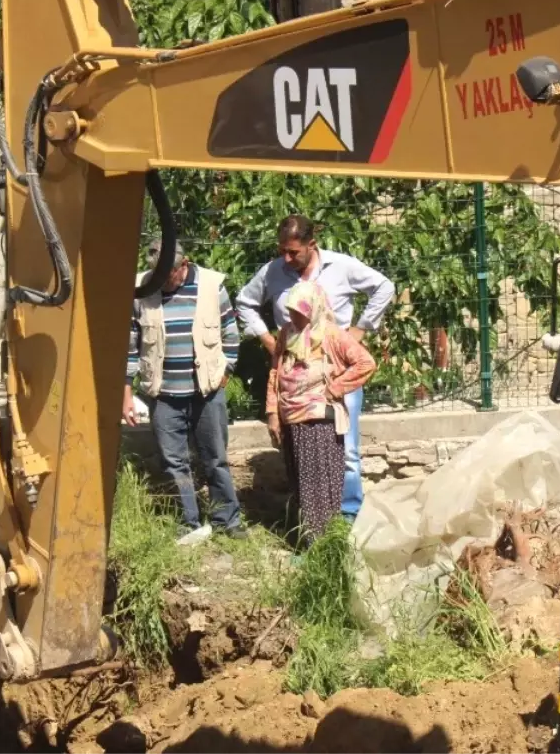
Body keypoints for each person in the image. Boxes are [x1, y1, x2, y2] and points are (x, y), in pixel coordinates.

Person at [237, 215, 394, 522]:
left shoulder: (341, 267)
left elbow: (384, 287)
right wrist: (269, 341)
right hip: (295, 381)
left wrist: (360, 332)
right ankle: (312, 518)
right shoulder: (273, 271)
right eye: (282, 250)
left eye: (293, 251)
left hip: (336, 372)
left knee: (346, 449)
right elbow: (245, 301)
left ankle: (346, 518)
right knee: (300, 453)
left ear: (312, 245)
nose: (287, 258)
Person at [124, 238, 248, 541]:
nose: (165, 281)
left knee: (215, 457)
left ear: (185, 264)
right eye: (159, 275)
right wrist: (126, 394)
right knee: (174, 462)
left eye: (170, 274)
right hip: (164, 396)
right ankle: (188, 521)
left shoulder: (210, 286)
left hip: (207, 393)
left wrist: (225, 373)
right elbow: (129, 347)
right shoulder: (140, 290)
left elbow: (231, 334)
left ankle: (226, 519)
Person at [266, 281, 376, 541]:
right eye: (291, 310)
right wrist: (272, 412)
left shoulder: (331, 335)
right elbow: (275, 371)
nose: (294, 315)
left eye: (300, 311)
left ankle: (321, 544)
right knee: (300, 483)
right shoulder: (286, 334)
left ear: (313, 309)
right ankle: (309, 539)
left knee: (318, 485)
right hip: (290, 416)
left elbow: (365, 363)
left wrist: (334, 389)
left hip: (318, 419)